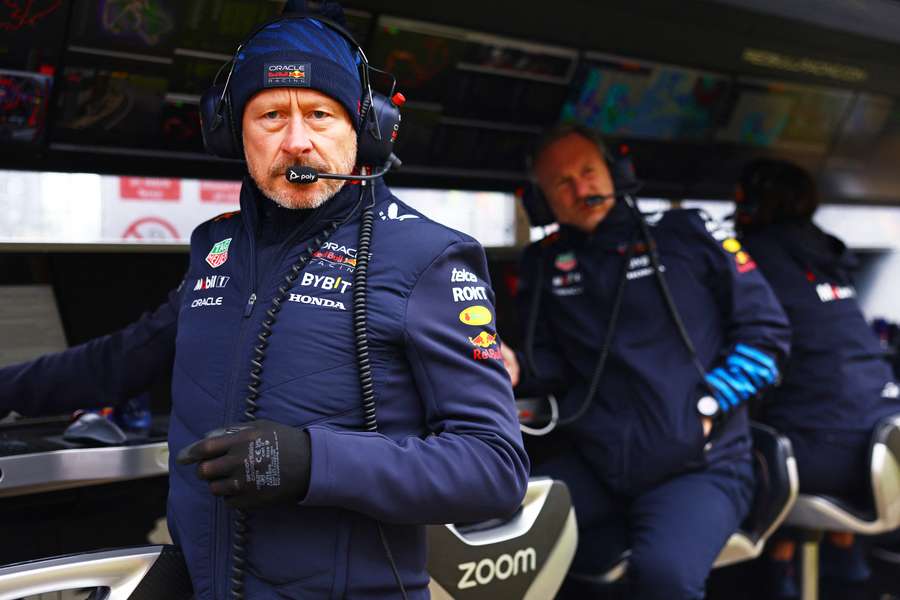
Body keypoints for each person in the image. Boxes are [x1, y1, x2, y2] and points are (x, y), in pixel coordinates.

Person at [0, 7, 528, 599]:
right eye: (272, 115)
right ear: (233, 134)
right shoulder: (217, 247)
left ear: (364, 128)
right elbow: (122, 358)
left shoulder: (427, 257)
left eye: (320, 115)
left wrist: (311, 461)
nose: (297, 140)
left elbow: (494, 468)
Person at [501, 125, 790, 600]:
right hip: (599, 464)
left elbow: (768, 335)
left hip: (701, 466)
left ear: (615, 172)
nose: (581, 188)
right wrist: (514, 367)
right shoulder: (542, 263)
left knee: (664, 579)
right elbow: (549, 363)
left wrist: (709, 406)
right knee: (504, 530)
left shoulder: (687, 232)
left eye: (589, 172)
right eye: (562, 182)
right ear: (541, 200)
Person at [736, 158, 900, 597]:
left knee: (727, 451)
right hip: (886, 436)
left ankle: (779, 575)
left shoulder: (751, 257)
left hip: (826, 456)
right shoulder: (829, 252)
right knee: (803, 416)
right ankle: (840, 567)